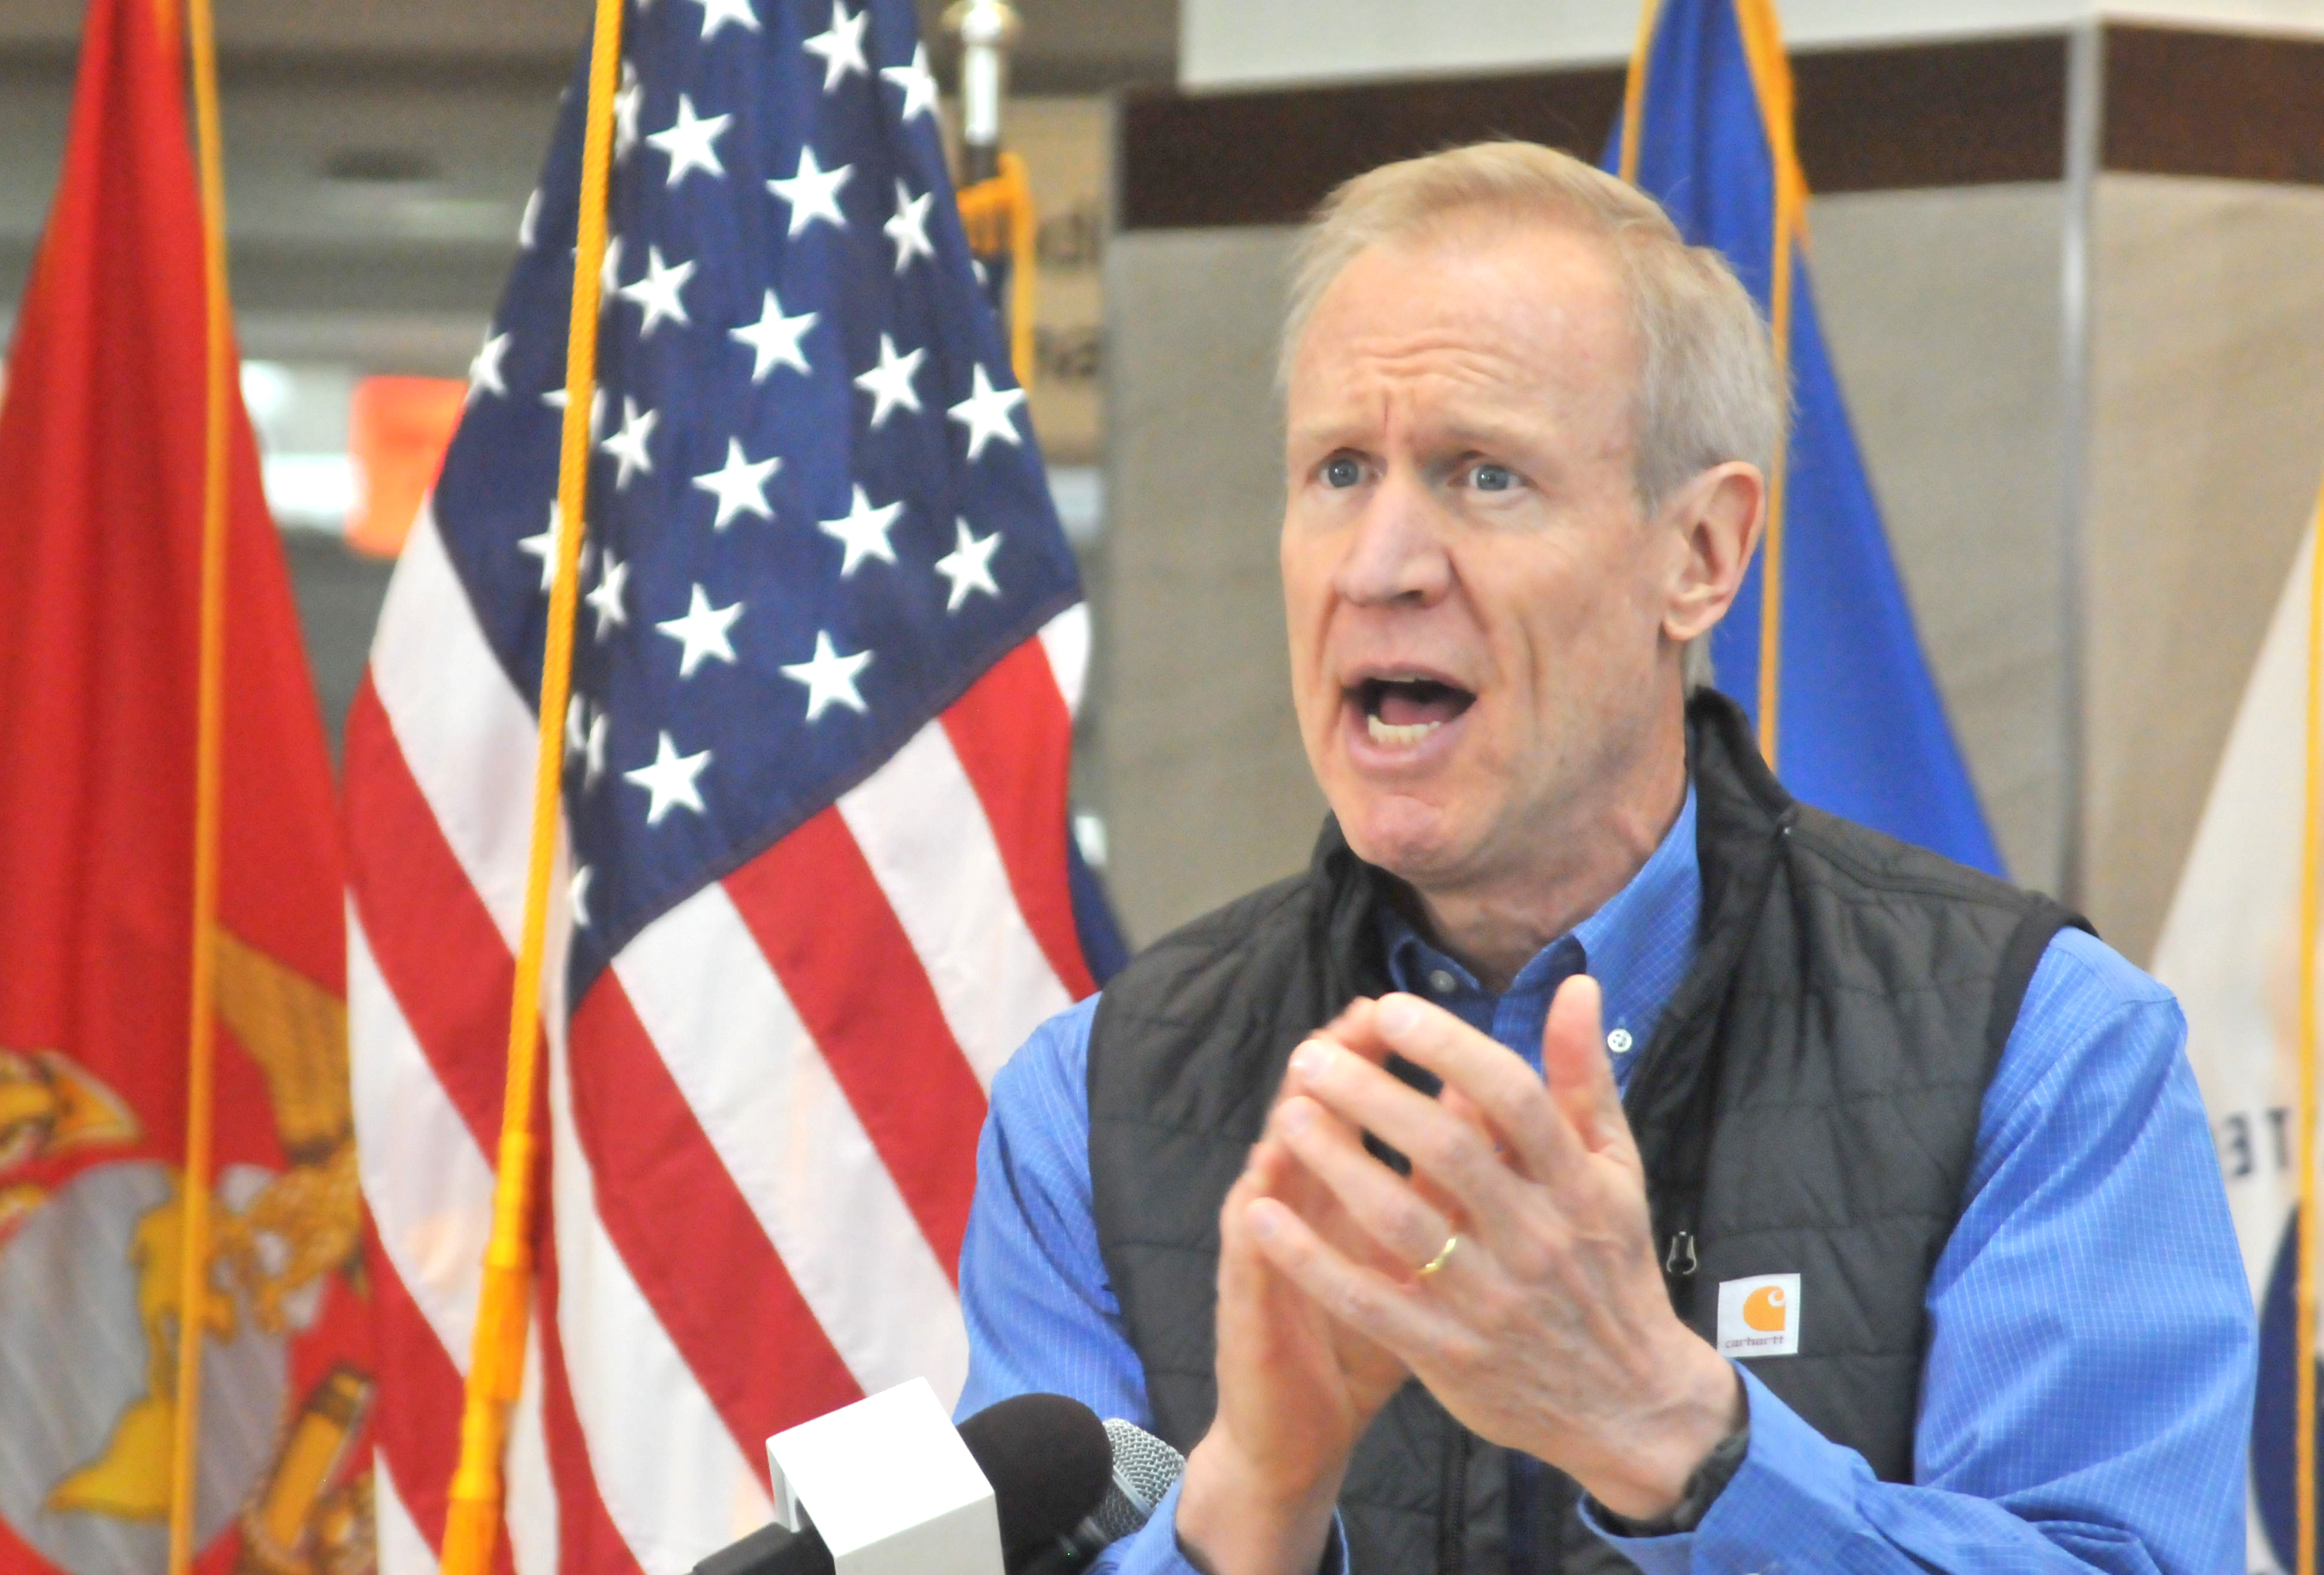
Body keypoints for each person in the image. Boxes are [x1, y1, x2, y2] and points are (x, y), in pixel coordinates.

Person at [954, 141, 2255, 1575]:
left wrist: (1671, 1430)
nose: (1378, 561)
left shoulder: (2038, 1046)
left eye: (1482, 475)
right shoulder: (1091, 1101)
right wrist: (1250, 1501)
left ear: (1698, 550)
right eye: (1336, 469)